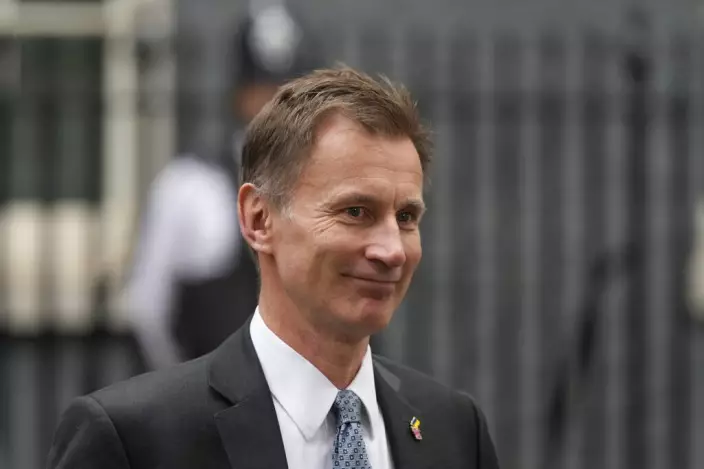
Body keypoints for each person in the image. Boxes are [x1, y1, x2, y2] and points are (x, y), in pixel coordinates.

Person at [47, 67, 500, 469]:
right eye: (355, 212)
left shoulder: (455, 431)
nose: (392, 250)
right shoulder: (135, 440)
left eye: (406, 217)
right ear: (259, 219)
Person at [127, 3, 319, 369]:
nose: (278, 106)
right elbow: (146, 310)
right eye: (264, 90)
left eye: (293, 93)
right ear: (240, 95)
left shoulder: (328, 188)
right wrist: (187, 393)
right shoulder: (191, 187)